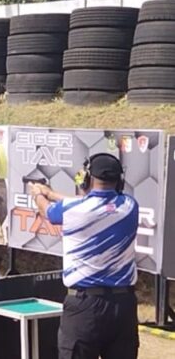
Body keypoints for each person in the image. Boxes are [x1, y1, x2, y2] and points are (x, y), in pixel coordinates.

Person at [30, 153, 139, 359]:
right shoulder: (129, 206)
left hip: (85, 306)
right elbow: (89, 203)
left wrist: (38, 194)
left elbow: (48, 212)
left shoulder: (74, 210)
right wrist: (51, 193)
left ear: (88, 179)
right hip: (123, 305)